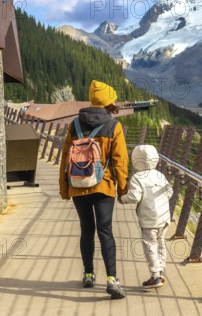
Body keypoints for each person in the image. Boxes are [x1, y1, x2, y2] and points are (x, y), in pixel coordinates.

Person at [59, 80, 128, 300]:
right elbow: (120, 161)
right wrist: (123, 189)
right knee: (105, 230)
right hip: (104, 185)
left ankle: (88, 274)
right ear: (109, 101)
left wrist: (64, 187)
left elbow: (65, 158)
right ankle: (112, 280)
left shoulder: (75, 124)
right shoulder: (113, 126)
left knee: (86, 230)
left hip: (78, 184)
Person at [120, 144, 173, 288]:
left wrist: (123, 199)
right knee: (161, 243)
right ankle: (161, 270)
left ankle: (155, 275)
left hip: (149, 219)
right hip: (164, 217)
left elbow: (135, 197)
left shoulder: (137, 177)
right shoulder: (159, 175)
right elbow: (170, 192)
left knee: (150, 246)